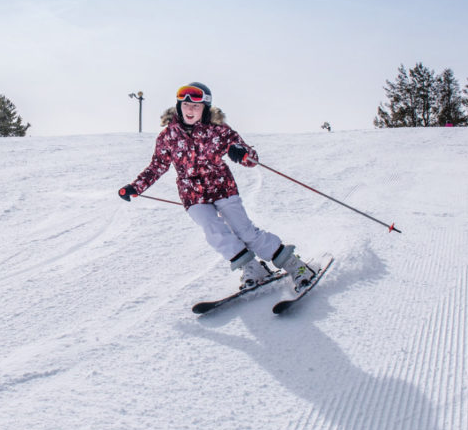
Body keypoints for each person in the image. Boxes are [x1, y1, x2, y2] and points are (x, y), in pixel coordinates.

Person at [118, 82, 318, 292]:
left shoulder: (219, 131)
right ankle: (251, 268)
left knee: (246, 231)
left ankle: (295, 265)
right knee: (214, 232)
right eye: (185, 105)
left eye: (196, 106)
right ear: (178, 107)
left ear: (205, 109)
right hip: (192, 195)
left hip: (222, 188)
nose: (190, 110)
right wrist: (135, 187)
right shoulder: (168, 136)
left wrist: (240, 152)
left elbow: (252, 158)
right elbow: (157, 165)